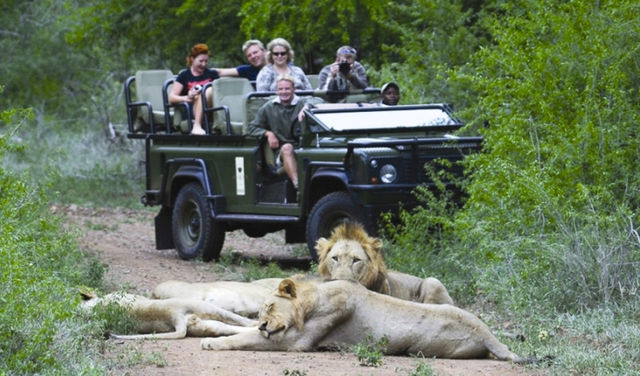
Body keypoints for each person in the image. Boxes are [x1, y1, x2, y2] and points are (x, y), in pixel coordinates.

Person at [247, 75, 322, 190]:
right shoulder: (269, 107)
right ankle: (299, 187)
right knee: (287, 148)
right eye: (281, 89)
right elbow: (252, 127)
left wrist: (307, 107)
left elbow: (319, 100)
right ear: (277, 90)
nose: (284, 92)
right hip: (282, 152)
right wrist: (268, 133)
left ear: (294, 89)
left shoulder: (301, 103)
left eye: (287, 88)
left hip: (304, 148)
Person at [169, 43, 219, 135]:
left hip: (211, 110)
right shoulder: (184, 75)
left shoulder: (211, 74)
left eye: (206, 61)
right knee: (203, 92)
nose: (204, 64)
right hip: (192, 109)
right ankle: (197, 125)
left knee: (209, 90)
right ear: (192, 59)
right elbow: (171, 97)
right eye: (201, 61)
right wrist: (187, 98)